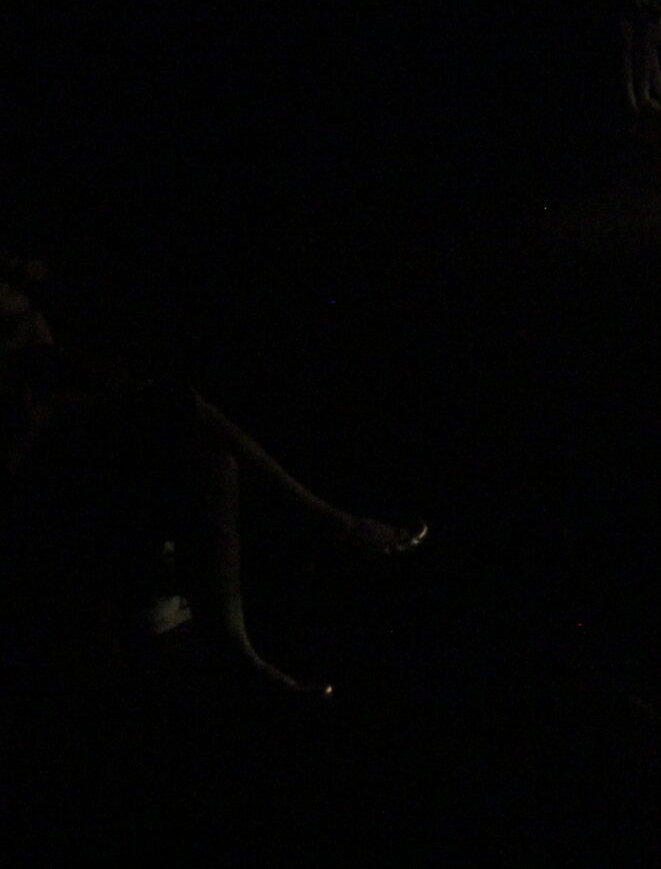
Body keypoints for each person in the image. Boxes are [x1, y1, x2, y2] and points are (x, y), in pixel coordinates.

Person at [3, 258, 426, 697]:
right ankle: (329, 527)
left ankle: (239, 650)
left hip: (73, 465)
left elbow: (63, 383)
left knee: (213, 464)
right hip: (35, 487)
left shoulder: (29, 327)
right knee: (175, 406)